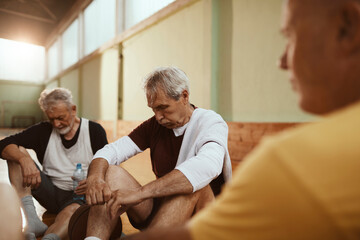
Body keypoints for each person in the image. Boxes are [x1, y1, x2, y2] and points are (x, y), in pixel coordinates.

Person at [121, 0, 360, 239]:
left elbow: (205, 171)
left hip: (197, 206)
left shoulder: (295, 161)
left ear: (347, 28)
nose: (283, 61)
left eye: (292, 37)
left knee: (193, 182)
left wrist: (143, 192)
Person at [83, 66, 232, 240]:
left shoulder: (211, 122)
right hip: (163, 212)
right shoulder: (155, 125)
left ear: (184, 97)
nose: (158, 116)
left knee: (194, 183)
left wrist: (139, 194)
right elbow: (111, 151)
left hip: (204, 219)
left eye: (163, 107)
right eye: (153, 109)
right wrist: (95, 178)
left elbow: (207, 166)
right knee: (110, 171)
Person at [0, 88, 108, 240]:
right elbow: (3, 144)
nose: (56, 123)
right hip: (50, 192)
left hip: (78, 195)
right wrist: (24, 159)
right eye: (52, 119)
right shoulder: (43, 130)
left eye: (61, 117)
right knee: (15, 151)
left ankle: (50, 238)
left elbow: (109, 164)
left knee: (69, 213)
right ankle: (31, 219)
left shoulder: (94, 130)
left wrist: (94, 179)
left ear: (73, 109)